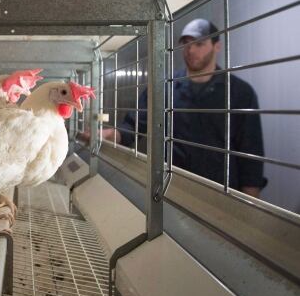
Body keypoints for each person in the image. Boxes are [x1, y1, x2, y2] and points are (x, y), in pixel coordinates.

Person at [83, 18, 267, 198]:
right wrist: (107, 135)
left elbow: (250, 155)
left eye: (199, 43)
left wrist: (250, 208)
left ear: (217, 46)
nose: (191, 49)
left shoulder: (239, 93)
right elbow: (133, 125)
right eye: (186, 43)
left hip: (221, 195)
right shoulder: (164, 88)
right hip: (171, 190)